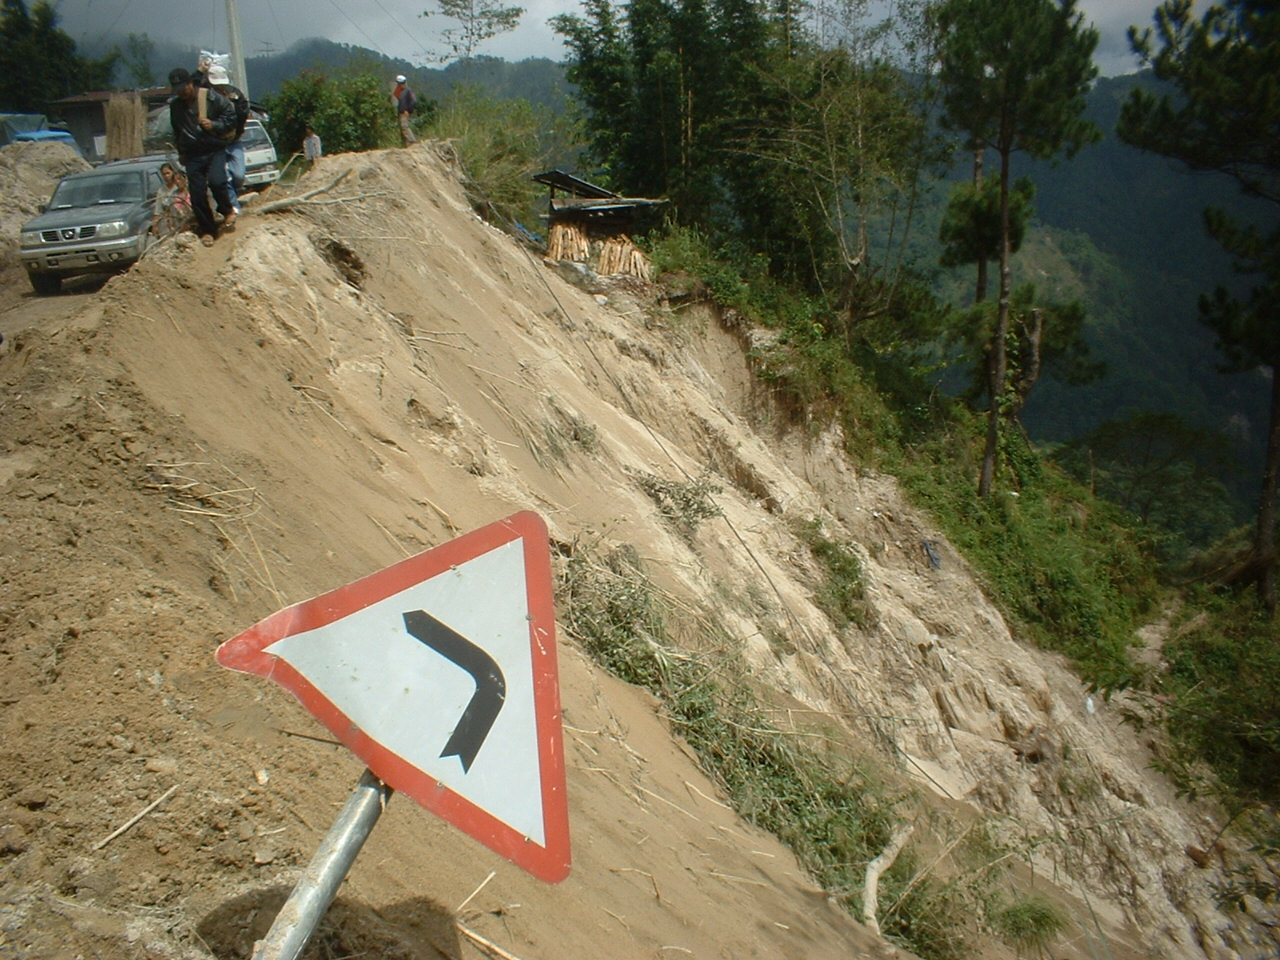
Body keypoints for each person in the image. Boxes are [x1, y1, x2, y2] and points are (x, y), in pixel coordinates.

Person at [168, 67, 237, 245]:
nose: (182, 93)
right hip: (193, 154)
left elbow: (230, 116)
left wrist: (214, 125)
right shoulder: (175, 107)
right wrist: (181, 152)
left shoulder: (209, 97)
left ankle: (227, 210)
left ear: (191, 83)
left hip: (214, 149)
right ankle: (208, 230)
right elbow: (177, 131)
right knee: (197, 195)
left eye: (184, 88)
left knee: (217, 181)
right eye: (178, 90)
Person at [204, 63, 251, 214]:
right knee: (225, 176)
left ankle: (230, 199)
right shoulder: (206, 97)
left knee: (239, 175)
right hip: (217, 143)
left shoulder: (235, 94)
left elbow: (243, 111)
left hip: (234, 140)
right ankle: (234, 207)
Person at [151, 162, 191, 237]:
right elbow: (158, 210)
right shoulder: (161, 190)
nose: (166, 176)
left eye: (168, 173)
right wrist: (155, 225)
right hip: (169, 223)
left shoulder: (181, 188)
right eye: (163, 174)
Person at [392, 74, 417, 147]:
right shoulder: (401, 91)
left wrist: (408, 110)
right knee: (402, 129)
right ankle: (407, 144)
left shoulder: (407, 90)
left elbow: (413, 101)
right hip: (401, 112)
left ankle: (412, 141)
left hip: (405, 112)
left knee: (405, 127)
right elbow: (395, 94)